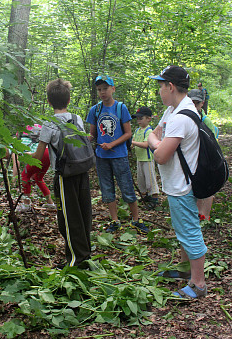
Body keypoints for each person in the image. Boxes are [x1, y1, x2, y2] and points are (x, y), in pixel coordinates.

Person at [147, 66, 207, 299]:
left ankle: (198, 283)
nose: (159, 91)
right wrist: (156, 138)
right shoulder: (175, 109)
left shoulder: (181, 117)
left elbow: (161, 155)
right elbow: (157, 132)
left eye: (160, 86)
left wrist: (153, 141)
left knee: (189, 231)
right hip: (178, 181)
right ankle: (185, 271)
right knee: (183, 229)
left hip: (182, 185)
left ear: (170, 87)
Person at [30, 78, 92, 267]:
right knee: (83, 213)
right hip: (82, 170)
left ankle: (75, 261)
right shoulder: (77, 118)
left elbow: (38, 155)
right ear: (69, 99)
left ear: (49, 102)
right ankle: (84, 254)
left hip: (64, 176)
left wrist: (19, 154)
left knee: (67, 217)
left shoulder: (49, 124)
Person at [86, 75, 148, 234]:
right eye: (99, 89)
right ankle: (115, 221)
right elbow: (92, 135)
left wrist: (112, 144)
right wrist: (81, 138)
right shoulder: (95, 110)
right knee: (107, 190)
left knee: (127, 187)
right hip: (101, 158)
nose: (102, 92)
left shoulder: (121, 108)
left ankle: (136, 220)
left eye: (105, 89)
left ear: (113, 89)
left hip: (119, 156)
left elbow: (128, 134)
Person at [188, 89, 218, 221]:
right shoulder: (186, 117)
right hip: (192, 158)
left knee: (206, 186)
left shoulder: (205, 120)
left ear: (202, 103)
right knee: (195, 186)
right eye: (192, 102)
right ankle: (196, 214)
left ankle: (205, 215)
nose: (194, 105)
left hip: (205, 158)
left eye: (197, 102)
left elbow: (213, 140)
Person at [13, 126, 56, 212]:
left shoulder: (16, 141)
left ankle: (26, 204)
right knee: (38, 178)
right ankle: (50, 203)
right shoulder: (36, 127)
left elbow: (16, 163)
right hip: (48, 152)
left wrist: (14, 180)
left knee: (24, 176)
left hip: (38, 153)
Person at [131, 106, 159, 209]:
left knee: (150, 180)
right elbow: (133, 140)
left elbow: (146, 144)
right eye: (137, 118)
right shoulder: (137, 130)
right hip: (139, 159)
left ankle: (154, 199)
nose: (138, 120)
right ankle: (144, 196)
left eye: (141, 118)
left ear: (148, 118)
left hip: (147, 159)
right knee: (141, 179)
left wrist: (132, 142)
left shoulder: (149, 130)